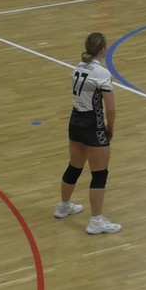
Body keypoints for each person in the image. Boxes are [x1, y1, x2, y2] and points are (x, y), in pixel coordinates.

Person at [55, 32, 121, 235]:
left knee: (74, 167)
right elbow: (110, 108)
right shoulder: (102, 73)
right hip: (93, 125)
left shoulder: (78, 66)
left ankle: (64, 206)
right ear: (103, 50)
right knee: (99, 174)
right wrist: (110, 127)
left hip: (75, 121)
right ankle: (96, 222)